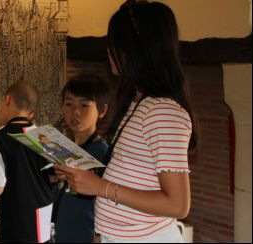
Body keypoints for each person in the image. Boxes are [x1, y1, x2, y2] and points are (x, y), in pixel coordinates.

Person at [55, 1, 197, 243]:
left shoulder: (162, 110)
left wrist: (100, 187)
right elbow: (130, 175)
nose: (109, 50)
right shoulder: (139, 102)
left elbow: (178, 204)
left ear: (134, 49)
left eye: (114, 43)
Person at [0, 81, 53, 243]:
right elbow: (54, 176)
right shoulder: (45, 136)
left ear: (7, 99)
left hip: (16, 217)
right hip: (43, 213)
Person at [54, 73, 110, 243]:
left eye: (84, 105)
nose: (75, 111)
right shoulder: (66, 150)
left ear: (102, 111)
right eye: (69, 103)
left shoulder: (103, 154)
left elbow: (107, 204)